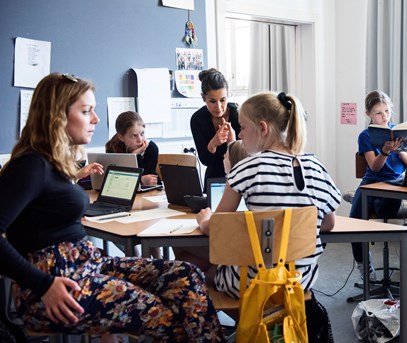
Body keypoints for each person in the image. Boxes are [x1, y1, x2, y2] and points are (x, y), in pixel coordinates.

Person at [0, 73, 225, 342]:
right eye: (86, 111)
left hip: (87, 264)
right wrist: (43, 285)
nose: (95, 119)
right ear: (57, 116)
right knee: (166, 314)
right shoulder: (30, 164)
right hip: (56, 284)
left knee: (187, 275)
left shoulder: (53, 163)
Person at [196, 91, 341, 298]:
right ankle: (267, 322)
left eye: (243, 128)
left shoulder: (247, 168)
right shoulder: (316, 167)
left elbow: (218, 228)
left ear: (262, 128)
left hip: (255, 281)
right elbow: (328, 224)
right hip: (299, 280)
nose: (240, 135)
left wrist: (204, 220)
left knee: (190, 259)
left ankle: (250, 323)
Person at [349, 90, 407, 281]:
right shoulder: (365, 136)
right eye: (378, 113)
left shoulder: (398, 132)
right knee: (354, 222)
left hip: (394, 185)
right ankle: (363, 264)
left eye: (387, 111)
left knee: (384, 209)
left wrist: (402, 152)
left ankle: (371, 204)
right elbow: (374, 166)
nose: (384, 116)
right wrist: (384, 152)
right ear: (368, 114)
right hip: (371, 183)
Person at [173, 140, 249, 269]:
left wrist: (204, 220)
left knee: (178, 244)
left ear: (233, 161)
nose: (223, 157)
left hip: (235, 253)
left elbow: (214, 225)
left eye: (226, 155)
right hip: (245, 253)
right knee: (184, 259)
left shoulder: (234, 183)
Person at [190, 68, 240, 185]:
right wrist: (214, 143)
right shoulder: (198, 119)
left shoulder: (238, 114)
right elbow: (205, 161)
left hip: (239, 177)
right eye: (212, 101)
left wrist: (232, 143)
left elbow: (247, 155)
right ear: (203, 98)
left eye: (223, 100)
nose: (218, 107)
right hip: (214, 180)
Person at [105, 111, 160, 187]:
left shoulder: (151, 148)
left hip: (149, 191)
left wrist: (136, 155)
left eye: (142, 133)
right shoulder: (113, 147)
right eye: (134, 136)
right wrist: (140, 179)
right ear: (121, 137)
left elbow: (148, 176)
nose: (140, 140)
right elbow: (114, 179)